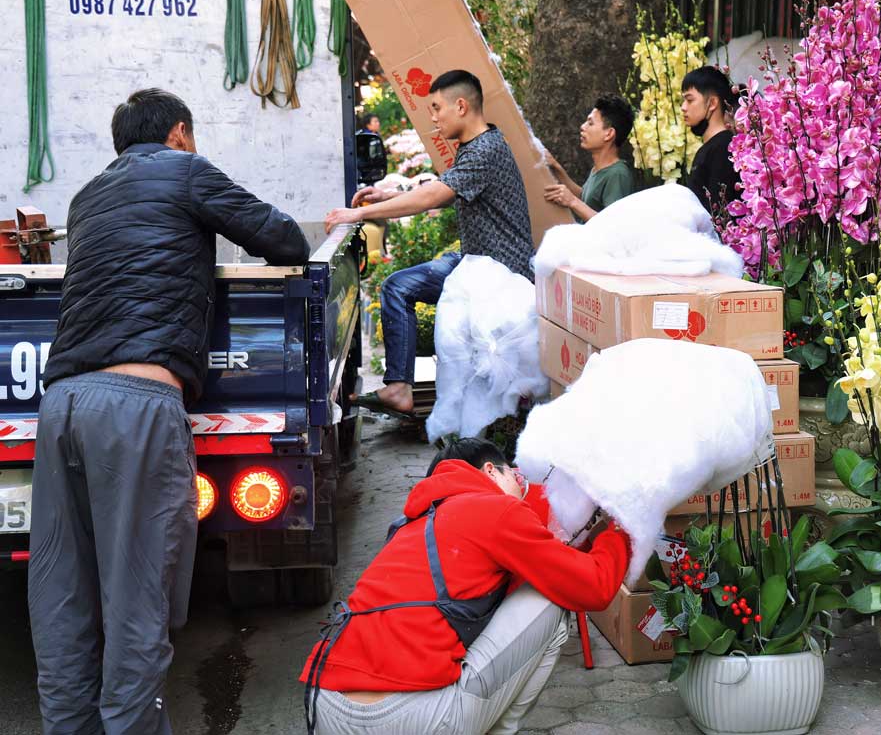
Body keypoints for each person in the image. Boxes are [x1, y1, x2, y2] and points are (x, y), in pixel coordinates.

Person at [29, 88, 309, 735]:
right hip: (136, 407)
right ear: (179, 134)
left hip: (62, 406)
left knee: (60, 599)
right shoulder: (186, 169)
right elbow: (285, 240)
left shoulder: (87, 196)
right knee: (137, 605)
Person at [300, 438, 629, 735]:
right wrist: (621, 528)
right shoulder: (497, 509)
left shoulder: (410, 525)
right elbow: (593, 587)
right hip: (406, 719)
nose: (521, 486)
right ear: (491, 471)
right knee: (551, 598)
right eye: (516, 477)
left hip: (324, 707)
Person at [324, 70, 535, 417]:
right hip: (476, 262)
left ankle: (402, 390)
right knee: (398, 286)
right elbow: (444, 190)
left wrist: (358, 214)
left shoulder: (485, 149)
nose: (434, 118)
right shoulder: (477, 146)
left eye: (437, 108)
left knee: (399, 288)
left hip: (499, 274)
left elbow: (432, 196)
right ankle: (399, 388)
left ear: (461, 106)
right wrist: (389, 192)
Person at [544, 94, 637, 222]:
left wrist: (572, 201)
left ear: (608, 134)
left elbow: (613, 227)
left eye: (590, 123)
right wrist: (556, 168)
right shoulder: (599, 169)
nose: (583, 126)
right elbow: (587, 198)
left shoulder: (618, 175)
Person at [680, 65, 741, 215]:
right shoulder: (712, 147)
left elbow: (719, 211)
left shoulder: (724, 147)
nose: (683, 107)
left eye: (689, 100)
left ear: (712, 103)